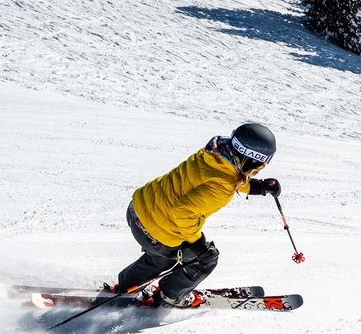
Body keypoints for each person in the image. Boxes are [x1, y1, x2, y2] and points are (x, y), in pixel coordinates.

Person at [110, 123, 282, 308]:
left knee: (161, 257)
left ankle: (126, 286)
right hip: (156, 231)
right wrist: (199, 246)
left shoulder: (214, 153)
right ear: (249, 159)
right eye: (258, 165)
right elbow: (183, 213)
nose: (258, 169)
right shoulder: (223, 187)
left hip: (138, 211)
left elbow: (218, 178)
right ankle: (171, 296)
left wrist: (258, 187)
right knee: (204, 260)